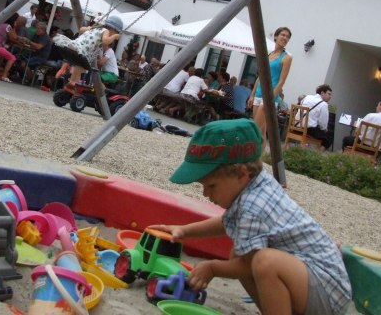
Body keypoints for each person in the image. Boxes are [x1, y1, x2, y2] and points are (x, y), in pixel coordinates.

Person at [150, 119, 351, 315]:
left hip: (326, 291)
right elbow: (227, 221)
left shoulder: (254, 205)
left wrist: (212, 268)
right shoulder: (255, 183)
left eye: (211, 186)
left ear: (241, 174)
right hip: (313, 283)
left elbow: (248, 266)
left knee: (264, 262)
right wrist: (185, 231)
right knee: (240, 254)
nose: (205, 194)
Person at [249, 27, 293, 151]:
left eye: (287, 36)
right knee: (261, 132)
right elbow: (260, 76)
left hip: (270, 96)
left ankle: (251, 158)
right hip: (258, 94)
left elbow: (282, 81)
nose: (285, 38)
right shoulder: (269, 55)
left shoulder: (287, 58)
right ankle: (259, 161)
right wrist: (252, 94)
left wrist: (270, 98)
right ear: (276, 36)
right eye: (283, 35)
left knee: (255, 130)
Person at [51, 15, 122, 90]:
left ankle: (72, 83)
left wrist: (88, 28)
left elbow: (81, 29)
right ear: (113, 29)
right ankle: (72, 81)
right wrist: (114, 37)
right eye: (115, 32)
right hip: (83, 51)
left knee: (79, 66)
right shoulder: (106, 31)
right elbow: (106, 41)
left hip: (76, 46)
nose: (113, 35)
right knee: (83, 67)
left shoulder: (95, 29)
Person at [299, 84, 333, 149]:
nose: (330, 96)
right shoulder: (323, 104)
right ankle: (316, 155)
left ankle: (306, 146)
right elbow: (323, 125)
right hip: (309, 129)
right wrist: (325, 130)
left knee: (319, 132)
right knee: (328, 139)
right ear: (322, 93)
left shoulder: (307, 97)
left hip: (297, 125)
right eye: (329, 94)